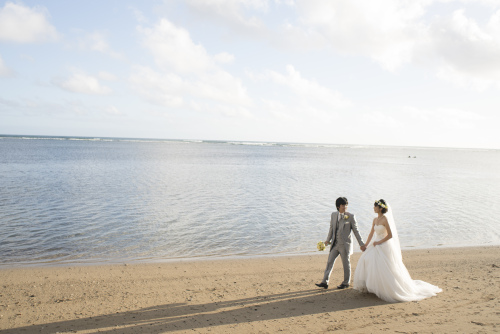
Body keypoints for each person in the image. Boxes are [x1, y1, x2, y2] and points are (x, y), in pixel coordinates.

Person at [352, 199, 442, 302]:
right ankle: (373, 286)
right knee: (367, 259)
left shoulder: (385, 219)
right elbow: (371, 233)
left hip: (384, 244)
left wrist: (379, 242)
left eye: (375, 206)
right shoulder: (375, 220)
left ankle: (386, 288)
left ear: (380, 208)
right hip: (376, 243)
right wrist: (365, 245)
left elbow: (390, 235)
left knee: (385, 266)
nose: (374, 208)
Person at [315, 197, 366, 289]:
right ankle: (324, 282)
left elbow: (356, 231)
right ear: (338, 206)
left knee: (346, 264)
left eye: (346, 205)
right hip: (335, 244)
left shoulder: (350, 216)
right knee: (329, 262)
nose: (345, 207)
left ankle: (346, 283)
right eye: (343, 205)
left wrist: (361, 244)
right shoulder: (333, 215)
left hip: (344, 245)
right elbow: (331, 228)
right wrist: (327, 240)